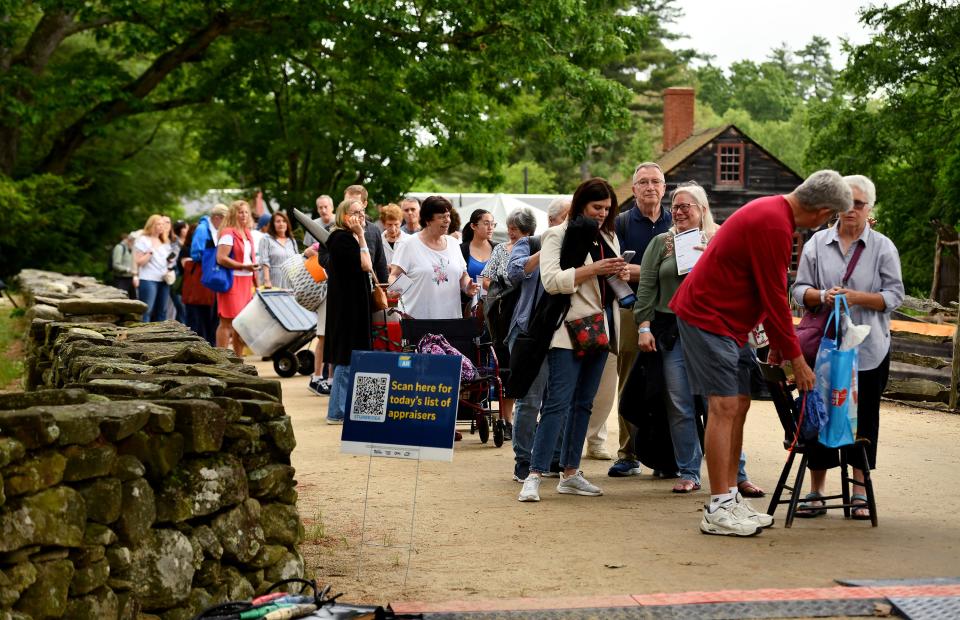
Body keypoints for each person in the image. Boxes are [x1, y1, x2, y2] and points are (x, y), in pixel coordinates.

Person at [670, 169, 852, 536]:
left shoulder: (773, 215)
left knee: (739, 403)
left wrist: (776, 350)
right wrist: (796, 360)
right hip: (709, 318)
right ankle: (718, 506)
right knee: (722, 406)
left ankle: (731, 496)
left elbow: (765, 295)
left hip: (730, 324)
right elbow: (775, 298)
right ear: (822, 210)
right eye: (831, 216)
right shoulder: (774, 224)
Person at [791, 174, 904, 520]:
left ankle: (859, 493)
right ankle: (817, 491)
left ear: (869, 208)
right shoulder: (816, 243)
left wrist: (856, 298)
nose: (850, 209)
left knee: (863, 419)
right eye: (846, 203)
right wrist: (822, 296)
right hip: (823, 350)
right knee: (819, 415)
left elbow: (894, 297)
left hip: (868, 351)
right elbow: (798, 291)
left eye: (858, 204)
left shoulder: (883, 246)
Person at [518, 178, 628, 502]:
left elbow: (602, 282)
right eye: (597, 207)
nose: (602, 213)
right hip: (567, 329)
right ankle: (534, 475)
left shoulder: (609, 236)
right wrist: (594, 270)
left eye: (607, 209)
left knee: (584, 404)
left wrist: (616, 273)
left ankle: (570, 472)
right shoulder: (556, 234)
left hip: (600, 328)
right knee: (557, 403)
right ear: (581, 205)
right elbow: (552, 282)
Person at [634, 182, 716, 493]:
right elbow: (646, 288)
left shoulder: (716, 240)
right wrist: (644, 326)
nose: (679, 211)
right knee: (680, 403)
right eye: (676, 206)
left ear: (702, 210)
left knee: (716, 404)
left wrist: (710, 257)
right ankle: (689, 472)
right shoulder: (661, 243)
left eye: (686, 206)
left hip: (708, 332)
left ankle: (737, 473)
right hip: (671, 332)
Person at [609, 162, 674, 478]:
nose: (650, 187)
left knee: (670, 384)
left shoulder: (677, 221)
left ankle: (667, 454)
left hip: (671, 314)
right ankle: (628, 452)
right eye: (643, 182)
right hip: (631, 310)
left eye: (656, 182)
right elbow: (614, 271)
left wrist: (640, 272)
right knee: (631, 382)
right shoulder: (620, 224)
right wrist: (653, 273)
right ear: (633, 189)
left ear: (664, 188)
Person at [506, 198, 568, 482]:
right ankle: (524, 459)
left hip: (563, 331)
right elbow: (515, 272)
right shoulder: (531, 243)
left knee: (558, 400)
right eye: (568, 218)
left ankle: (553, 457)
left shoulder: (577, 246)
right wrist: (549, 248)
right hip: (530, 331)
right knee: (530, 399)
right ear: (554, 220)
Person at [481, 208, 537, 442]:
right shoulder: (500, 250)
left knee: (523, 367)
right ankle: (507, 420)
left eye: (515, 229)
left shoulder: (537, 249)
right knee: (505, 367)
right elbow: (486, 280)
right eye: (510, 228)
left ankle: (524, 420)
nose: (511, 233)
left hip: (528, 316)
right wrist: (503, 290)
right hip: (503, 316)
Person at [324, 199, 376, 424]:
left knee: (355, 356)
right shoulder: (340, 238)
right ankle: (336, 411)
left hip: (356, 305)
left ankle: (352, 408)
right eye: (356, 213)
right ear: (345, 216)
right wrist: (362, 235)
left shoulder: (349, 238)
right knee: (346, 357)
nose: (361, 216)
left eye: (363, 212)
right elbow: (366, 264)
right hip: (347, 308)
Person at [389, 195, 479, 319]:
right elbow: (395, 274)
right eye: (441, 217)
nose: (447, 220)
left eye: (448, 216)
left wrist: (467, 287)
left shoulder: (453, 244)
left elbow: (462, 275)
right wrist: (396, 289)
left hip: (451, 319)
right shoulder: (409, 244)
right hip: (417, 320)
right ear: (428, 220)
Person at [215, 200, 260, 356]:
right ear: (234, 213)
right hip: (232, 281)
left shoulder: (248, 233)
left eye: (246, 212)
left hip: (247, 281)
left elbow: (251, 260)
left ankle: (238, 360)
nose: (244, 215)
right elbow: (221, 258)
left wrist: (257, 283)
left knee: (241, 324)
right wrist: (242, 267)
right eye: (240, 212)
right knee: (227, 323)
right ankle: (221, 359)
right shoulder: (228, 232)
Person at [305, 194, 337, 396]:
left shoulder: (337, 225)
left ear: (332, 207)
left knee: (332, 336)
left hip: (335, 287)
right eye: (320, 207)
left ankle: (331, 377)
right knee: (323, 335)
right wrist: (323, 257)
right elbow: (308, 251)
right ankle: (318, 376)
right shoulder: (314, 226)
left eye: (326, 206)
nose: (323, 210)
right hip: (324, 287)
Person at [188, 203, 228, 343]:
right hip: (204, 275)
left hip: (213, 275)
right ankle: (204, 342)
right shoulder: (203, 229)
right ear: (216, 217)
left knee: (213, 312)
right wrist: (212, 255)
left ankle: (211, 342)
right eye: (224, 219)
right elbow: (195, 253)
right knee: (204, 312)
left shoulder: (216, 230)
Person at [179, 224, 217, 345]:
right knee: (195, 321)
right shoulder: (186, 249)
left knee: (208, 321)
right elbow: (185, 269)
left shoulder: (210, 249)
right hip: (194, 293)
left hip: (207, 293)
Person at [133, 215, 173, 322]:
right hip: (148, 278)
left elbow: (168, 261)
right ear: (151, 225)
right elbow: (139, 262)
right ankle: (143, 335)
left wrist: (170, 264)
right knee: (147, 309)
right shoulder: (143, 240)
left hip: (164, 279)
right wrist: (149, 253)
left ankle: (159, 337)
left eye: (162, 224)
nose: (161, 227)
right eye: (158, 224)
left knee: (162, 310)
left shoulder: (165, 241)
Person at [258, 212, 299, 289]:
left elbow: (296, 261)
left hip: (290, 281)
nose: (281, 224)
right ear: (273, 224)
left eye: (284, 221)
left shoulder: (292, 240)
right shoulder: (266, 239)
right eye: (278, 221)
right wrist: (267, 280)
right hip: (273, 280)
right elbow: (264, 261)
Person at [461, 210, 496, 289]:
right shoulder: (461, 250)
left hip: (493, 299)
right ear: (473, 226)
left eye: (493, 224)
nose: (490, 228)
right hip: (468, 299)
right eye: (486, 223)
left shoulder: (498, 248)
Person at [111, 233, 136, 299]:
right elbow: (116, 265)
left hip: (131, 279)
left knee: (133, 299)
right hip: (121, 279)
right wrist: (128, 270)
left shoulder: (131, 248)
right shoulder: (120, 247)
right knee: (121, 298)